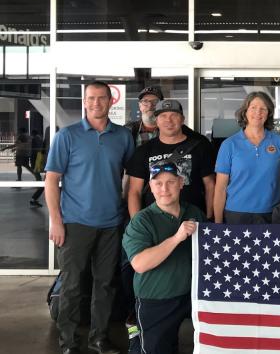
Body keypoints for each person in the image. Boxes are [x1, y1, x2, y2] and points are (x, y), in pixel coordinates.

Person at [44, 81, 135, 354]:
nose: (96, 103)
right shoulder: (67, 136)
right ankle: (69, 342)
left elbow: (130, 176)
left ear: (111, 101)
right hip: (74, 224)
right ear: (84, 102)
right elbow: (51, 181)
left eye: (102, 98)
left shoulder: (123, 136)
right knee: (72, 286)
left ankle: (99, 338)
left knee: (105, 286)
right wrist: (56, 221)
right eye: (91, 98)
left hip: (111, 224)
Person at [122, 161, 204, 354]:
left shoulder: (194, 213)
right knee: (153, 349)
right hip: (157, 299)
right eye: (158, 183)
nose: (164, 189)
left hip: (190, 296)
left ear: (181, 183)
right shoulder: (141, 222)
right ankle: (136, 340)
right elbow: (140, 264)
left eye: (171, 182)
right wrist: (177, 237)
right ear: (150, 187)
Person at [126, 99, 216, 219]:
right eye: (163, 116)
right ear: (156, 121)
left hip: (193, 219)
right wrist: (136, 224)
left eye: (174, 115)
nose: (168, 120)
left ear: (182, 120)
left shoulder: (200, 147)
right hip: (154, 221)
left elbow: (210, 186)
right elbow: (134, 192)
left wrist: (208, 218)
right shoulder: (143, 151)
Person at [213, 91, 280, 224]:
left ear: (269, 113)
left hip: (271, 213)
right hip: (236, 214)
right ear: (245, 111)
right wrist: (218, 223)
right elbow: (220, 188)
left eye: (263, 109)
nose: (258, 112)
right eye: (253, 107)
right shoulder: (229, 145)